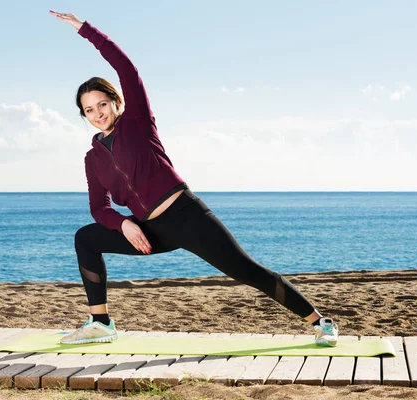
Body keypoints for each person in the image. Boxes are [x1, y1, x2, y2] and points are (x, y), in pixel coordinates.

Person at [50, 10, 338, 347]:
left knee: (247, 271)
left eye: (102, 104)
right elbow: (98, 208)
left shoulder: (138, 122)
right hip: (148, 230)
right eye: (89, 110)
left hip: (187, 217)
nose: (98, 113)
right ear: (83, 116)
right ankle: (100, 322)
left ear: (116, 102)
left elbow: (127, 68)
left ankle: (321, 322)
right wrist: (124, 224)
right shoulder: (93, 158)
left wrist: (85, 30)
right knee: (86, 238)